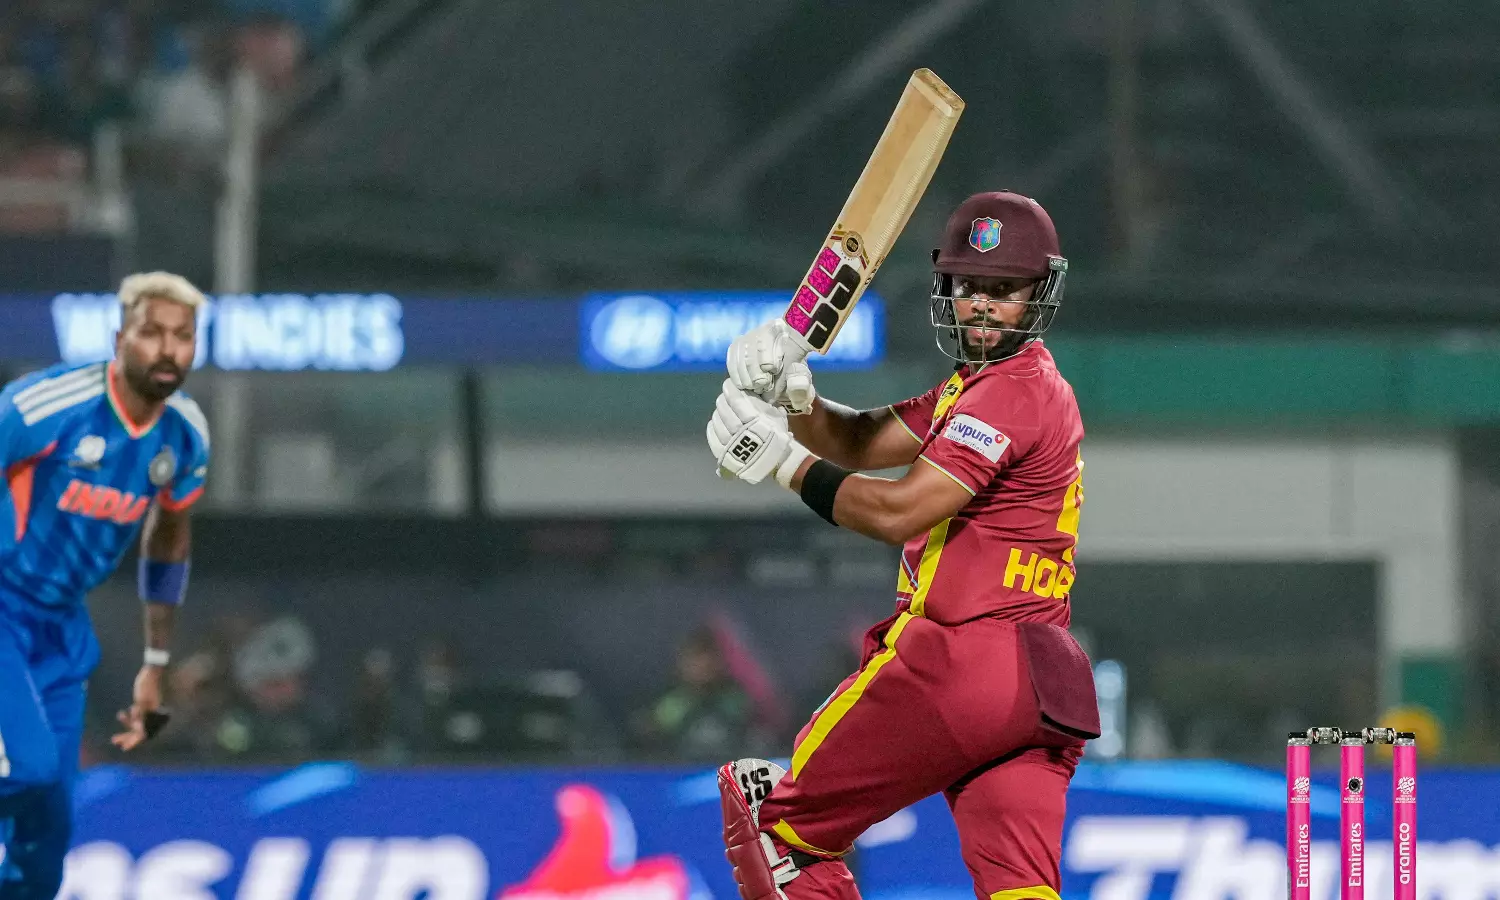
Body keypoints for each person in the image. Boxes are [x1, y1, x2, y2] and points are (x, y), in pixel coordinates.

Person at [706, 192, 1099, 900]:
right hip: (1044, 687)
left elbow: (899, 511)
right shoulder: (987, 388)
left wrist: (783, 464)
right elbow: (860, 440)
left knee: (773, 828)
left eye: (1004, 289)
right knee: (1021, 889)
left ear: (1041, 292)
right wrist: (796, 398)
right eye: (970, 286)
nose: (982, 306)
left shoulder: (1010, 394)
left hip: (964, 663)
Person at [0, 271, 211, 898]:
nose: (168, 349)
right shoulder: (41, 408)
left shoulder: (185, 435)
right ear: (120, 339)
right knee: (29, 768)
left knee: (48, 839)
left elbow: (169, 537)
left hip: (62, 629)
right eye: (152, 333)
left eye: (183, 336)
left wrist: (155, 662)